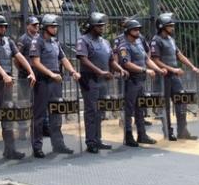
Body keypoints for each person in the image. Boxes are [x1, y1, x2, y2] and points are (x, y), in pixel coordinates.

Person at [0, 13, 35, 159]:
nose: (3, 28)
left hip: (6, 84)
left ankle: (10, 149)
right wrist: (3, 74)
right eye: (0, 26)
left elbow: (19, 56)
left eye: (5, 26)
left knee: (8, 117)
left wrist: (31, 71)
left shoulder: (8, 41)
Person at [29, 14, 80, 158]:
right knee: (39, 115)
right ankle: (37, 147)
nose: (55, 29)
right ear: (45, 27)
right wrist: (51, 74)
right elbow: (35, 63)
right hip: (43, 81)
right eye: (52, 26)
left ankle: (58, 144)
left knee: (56, 113)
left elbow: (63, 59)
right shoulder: (37, 42)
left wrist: (73, 71)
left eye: (56, 27)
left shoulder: (55, 42)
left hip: (56, 82)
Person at [76, 12, 128, 154]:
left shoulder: (105, 42)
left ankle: (98, 139)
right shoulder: (84, 40)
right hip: (90, 79)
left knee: (100, 111)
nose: (102, 28)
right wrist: (99, 71)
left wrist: (120, 69)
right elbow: (83, 59)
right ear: (92, 26)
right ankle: (91, 141)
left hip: (102, 80)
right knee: (91, 111)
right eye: (99, 26)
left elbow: (111, 60)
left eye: (102, 26)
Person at [150, 13, 199, 141]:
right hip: (164, 78)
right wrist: (172, 69)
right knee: (165, 106)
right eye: (170, 26)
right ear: (162, 27)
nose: (173, 28)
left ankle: (182, 131)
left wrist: (192, 67)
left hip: (175, 77)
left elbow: (180, 55)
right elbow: (155, 60)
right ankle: (168, 131)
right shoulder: (156, 40)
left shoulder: (171, 40)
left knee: (181, 102)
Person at [117, 19, 167, 147]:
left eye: (138, 29)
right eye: (135, 29)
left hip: (140, 80)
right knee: (129, 109)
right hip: (131, 81)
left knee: (140, 108)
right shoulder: (124, 46)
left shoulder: (138, 43)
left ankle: (142, 135)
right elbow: (126, 63)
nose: (138, 31)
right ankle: (128, 135)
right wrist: (145, 70)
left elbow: (146, 59)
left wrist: (157, 69)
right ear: (128, 31)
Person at [16, 16, 42, 139]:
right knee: (23, 102)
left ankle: (36, 128)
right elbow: (17, 57)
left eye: (37, 25)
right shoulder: (23, 39)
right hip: (25, 75)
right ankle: (22, 130)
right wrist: (22, 70)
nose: (36, 27)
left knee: (37, 102)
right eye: (33, 25)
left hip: (38, 74)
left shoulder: (39, 38)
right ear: (28, 26)